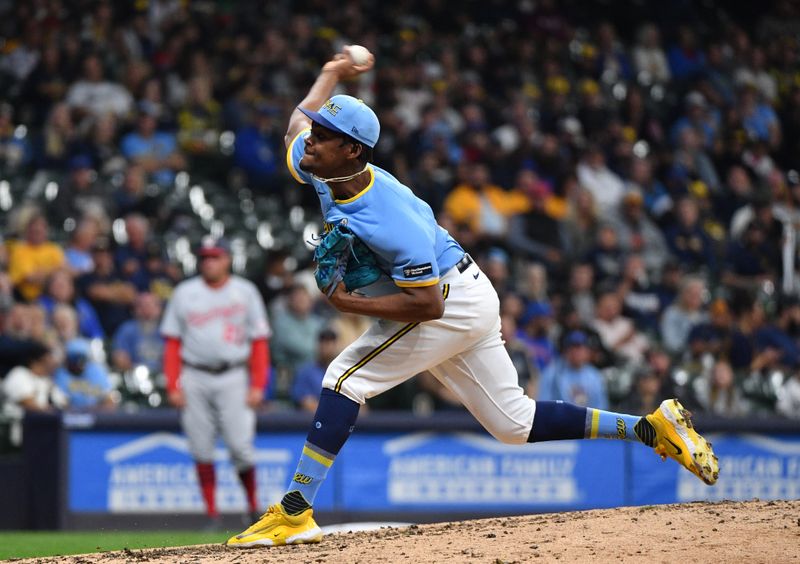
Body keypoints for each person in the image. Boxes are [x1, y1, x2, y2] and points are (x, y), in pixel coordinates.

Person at [226, 47, 718, 549]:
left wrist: (349, 305)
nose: (311, 139)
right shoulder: (323, 167)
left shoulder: (389, 218)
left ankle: (294, 511)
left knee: (344, 379)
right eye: (317, 130)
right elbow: (292, 129)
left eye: (324, 135)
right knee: (514, 424)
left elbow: (429, 306)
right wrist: (331, 72)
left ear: (353, 150)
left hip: (448, 300)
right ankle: (651, 429)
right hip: (470, 291)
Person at [160, 236, 271, 528]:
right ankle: (211, 514)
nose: (209, 262)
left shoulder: (245, 292)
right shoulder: (185, 292)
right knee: (200, 447)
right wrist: (173, 385)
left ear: (228, 259)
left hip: (234, 374)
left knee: (240, 447)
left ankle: (252, 508)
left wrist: (259, 384)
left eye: (215, 256)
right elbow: (172, 343)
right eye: (205, 257)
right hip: (194, 374)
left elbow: (259, 343)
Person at [53, 338, 115, 410]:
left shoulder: (96, 371)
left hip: (97, 416)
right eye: (74, 359)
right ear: (67, 360)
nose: (79, 363)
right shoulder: (60, 374)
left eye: (82, 358)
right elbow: (61, 405)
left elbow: (109, 400)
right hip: (71, 417)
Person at [291, 328, 339, 413]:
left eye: (330, 343)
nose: (327, 347)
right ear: (318, 345)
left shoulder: (342, 372)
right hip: (312, 421)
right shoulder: (305, 372)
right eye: (324, 342)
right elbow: (306, 402)